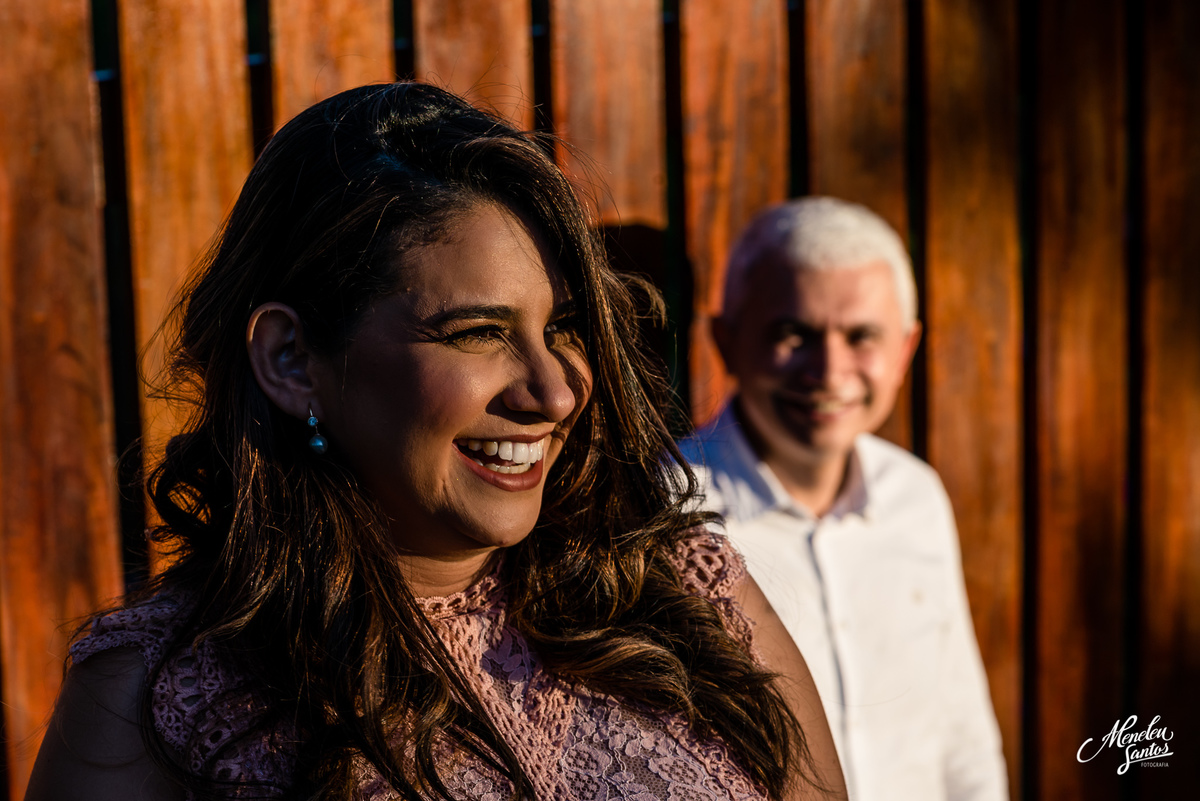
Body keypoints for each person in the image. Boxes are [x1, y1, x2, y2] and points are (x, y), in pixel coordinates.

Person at [25, 83, 845, 801]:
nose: (554, 392)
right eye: (477, 332)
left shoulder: (690, 595)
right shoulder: (150, 697)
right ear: (291, 358)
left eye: (563, 327)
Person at [678, 197, 1007, 801]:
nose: (829, 372)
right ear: (727, 341)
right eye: (794, 334)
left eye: (861, 337)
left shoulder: (915, 497)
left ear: (905, 350)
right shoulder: (669, 510)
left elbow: (960, 731)